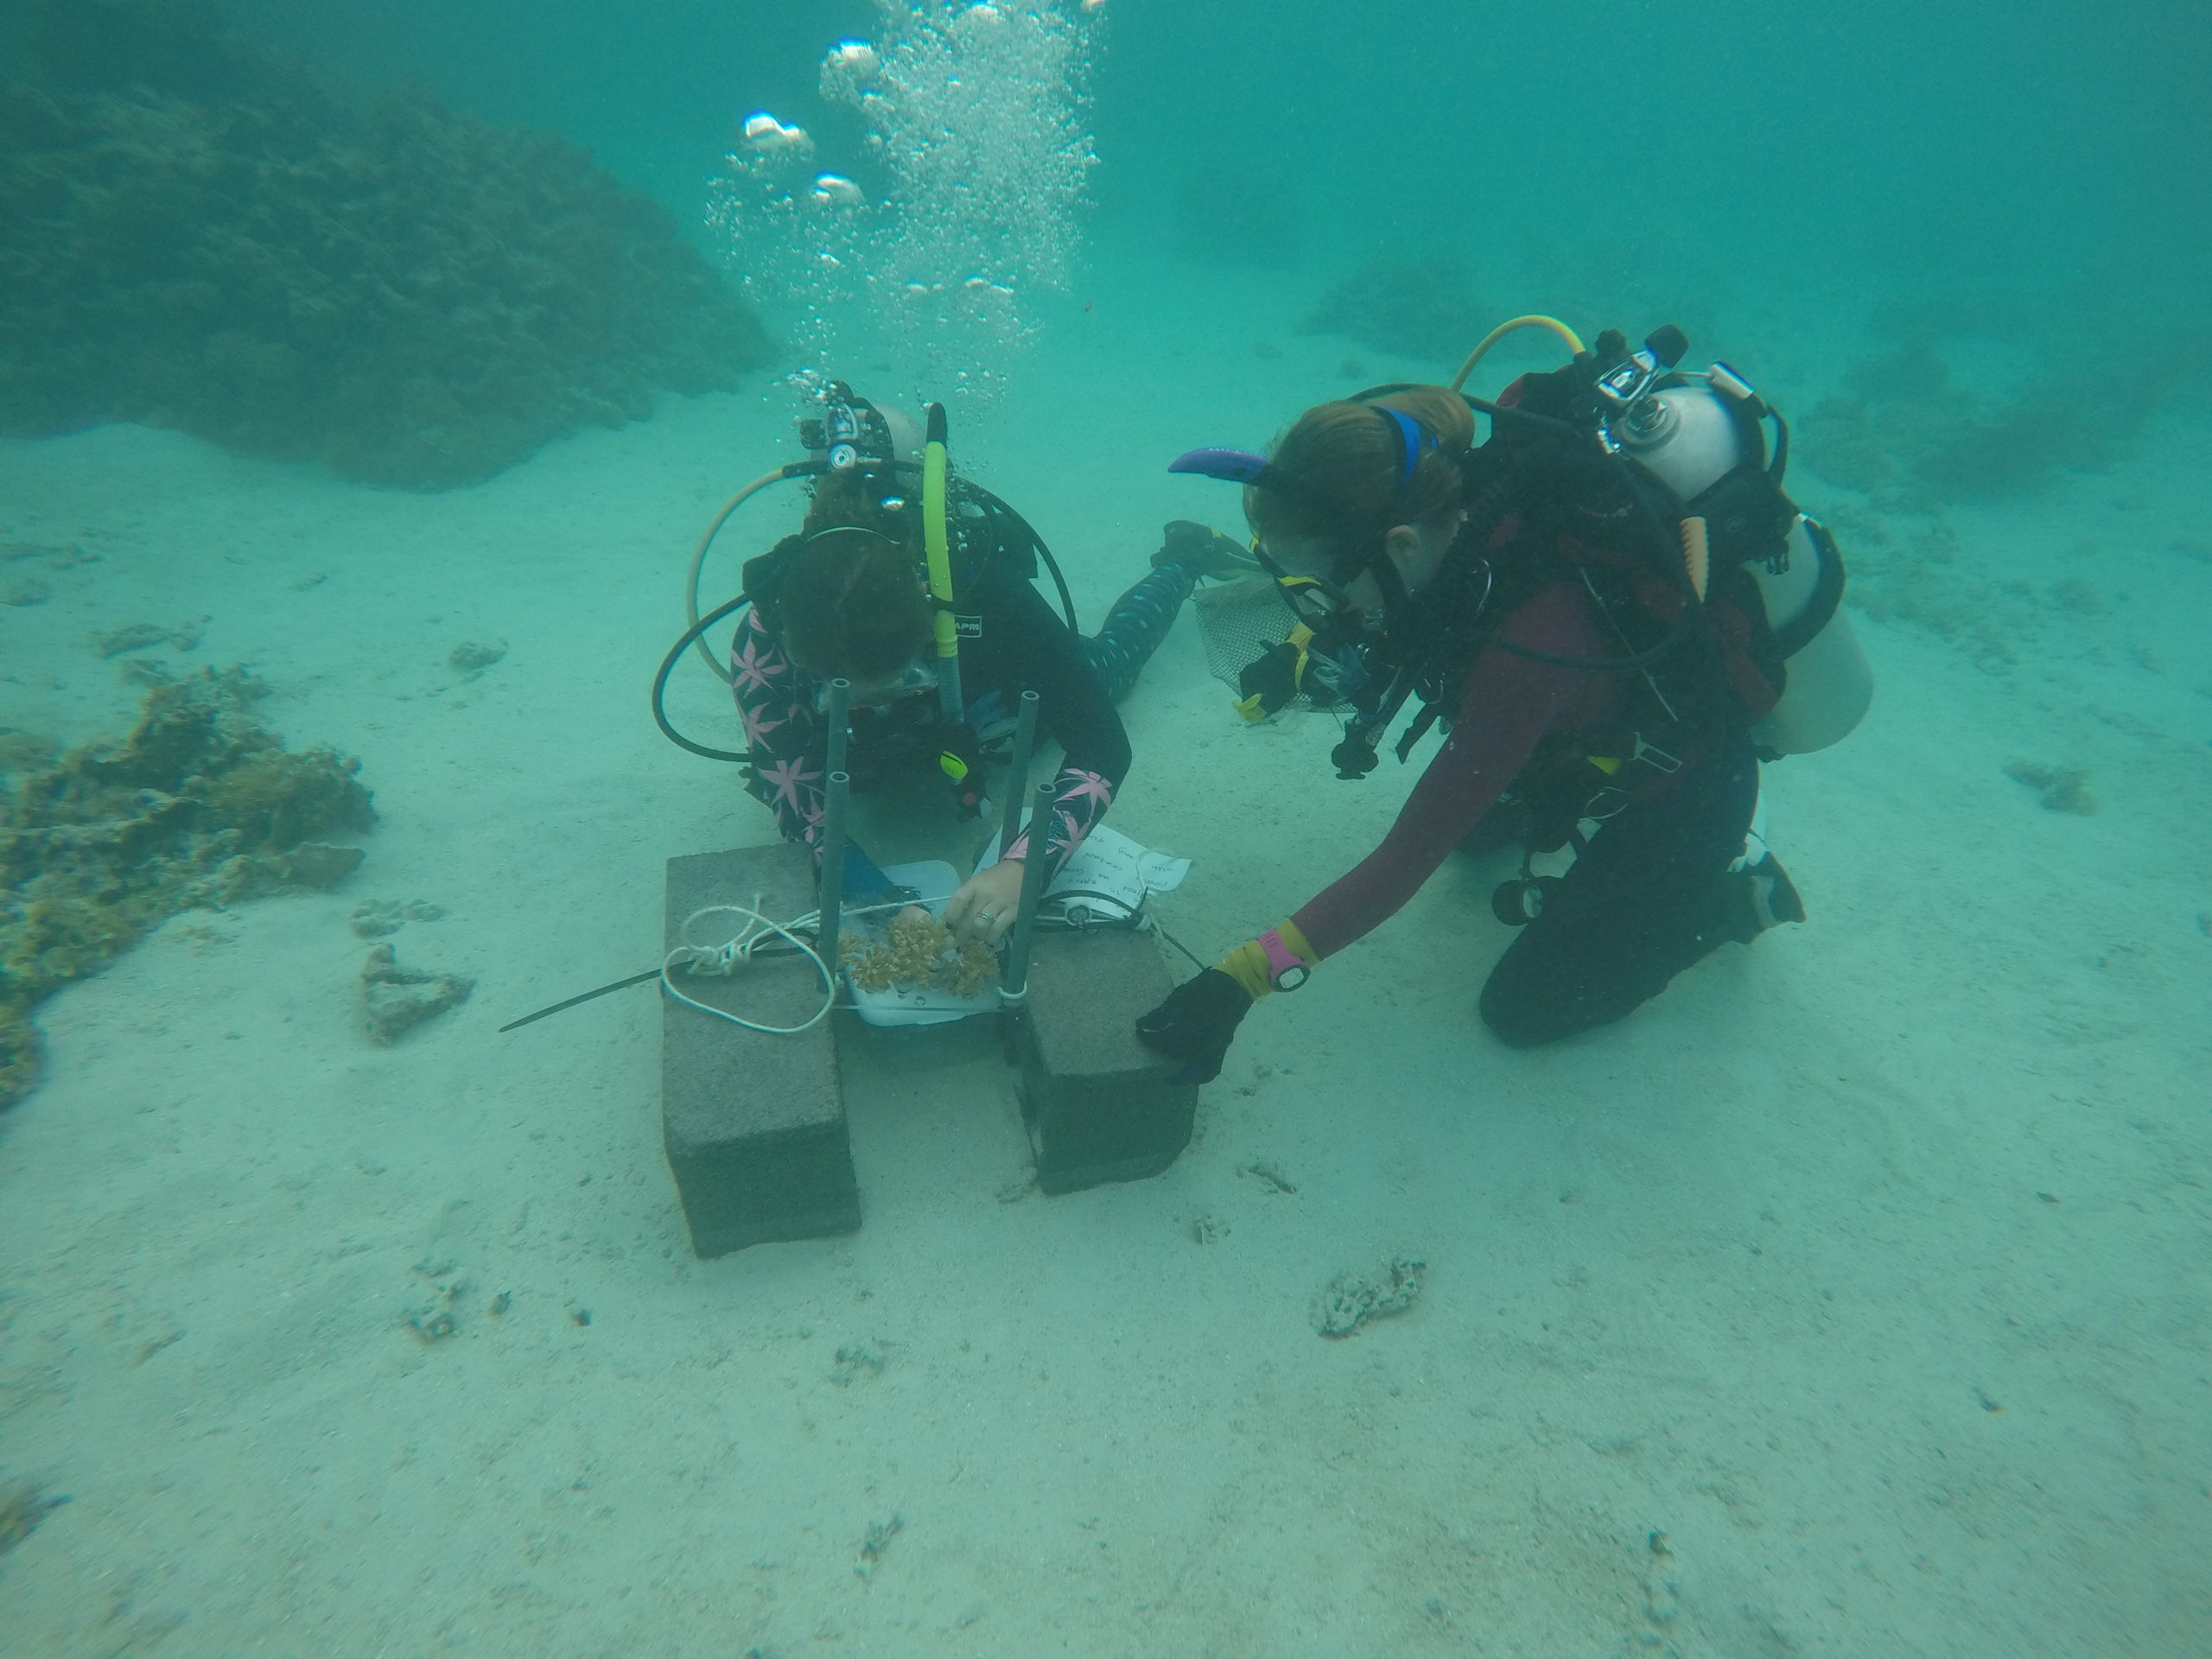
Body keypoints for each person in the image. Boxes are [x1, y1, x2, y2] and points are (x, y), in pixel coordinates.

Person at [1136, 334, 1862, 1080]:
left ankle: (1735, 899)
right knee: (1479, 839)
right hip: (1579, 740)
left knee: (1523, 1011)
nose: (1318, 607)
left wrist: (1240, 980)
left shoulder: (1523, 654)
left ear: (1401, 544)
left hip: (1686, 791)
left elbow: (1401, 861)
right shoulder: (1461, 510)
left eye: (1319, 583)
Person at [732, 402, 1252, 948]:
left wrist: (1026, 866)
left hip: (986, 711)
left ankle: (1184, 558)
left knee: (1111, 666)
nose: (877, 701)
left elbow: (1101, 744)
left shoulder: (984, 591)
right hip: (870, 755)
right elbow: (792, 793)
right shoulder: (767, 630)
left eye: (900, 676)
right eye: (835, 689)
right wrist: (879, 898)